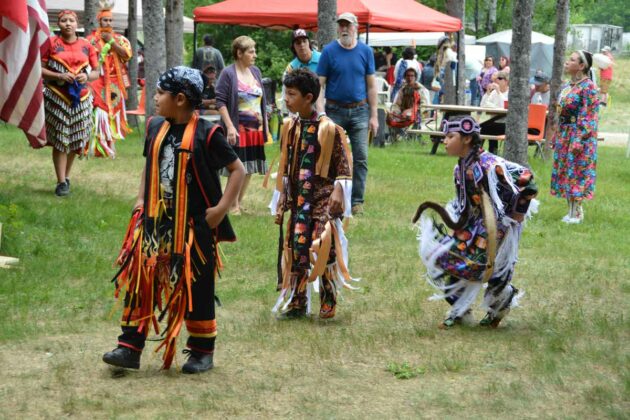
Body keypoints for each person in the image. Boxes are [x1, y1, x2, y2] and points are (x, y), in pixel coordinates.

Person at [102, 66, 246, 373]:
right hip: (156, 223)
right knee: (142, 283)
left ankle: (201, 351)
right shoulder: (156, 127)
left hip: (194, 227)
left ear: (180, 99)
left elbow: (238, 170)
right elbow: (150, 165)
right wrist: (141, 199)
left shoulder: (208, 134)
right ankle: (129, 346)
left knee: (197, 287)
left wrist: (220, 210)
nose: (153, 98)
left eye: (159, 93)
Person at [414, 115, 538, 329]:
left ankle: (498, 308)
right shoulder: (460, 168)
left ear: (466, 139)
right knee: (448, 259)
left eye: (450, 136)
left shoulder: (490, 164)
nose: (444, 141)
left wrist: (516, 215)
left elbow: (528, 180)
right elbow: (467, 203)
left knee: (493, 273)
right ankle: (460, 309)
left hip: (496, 227)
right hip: (472, 226)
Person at [270, 68, 355, 319]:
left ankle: (328, 297)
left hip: (322, 198)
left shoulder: (329, 129)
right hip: (298, 199)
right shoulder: (290, 127)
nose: (286, 98)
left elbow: (343, 166)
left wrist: (338, 193)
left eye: (291, 94)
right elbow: (286, 166)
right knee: (297, 246)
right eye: (285, 93)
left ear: (308, 98)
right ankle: (297, 301)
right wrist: (282, 196)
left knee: (321, 245)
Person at [317, 12, 378, 216]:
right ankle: (328, 195)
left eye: (348, 25)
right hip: (334, 110)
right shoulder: (328, 51)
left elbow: (371, 86)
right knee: (331, 155)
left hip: (360, 111)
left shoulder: (365, 52)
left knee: (360, 157)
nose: (344, 29)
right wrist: (321, 113)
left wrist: (374, 116)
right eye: (341, 25)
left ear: (356, 28)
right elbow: (320, 85)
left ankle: (357, 200)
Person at [41, 10, 99, 197]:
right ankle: (60, 181)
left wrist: (87, 76)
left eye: (71, 20)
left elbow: (97, 71)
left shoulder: (87, 45)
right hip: (57, 95)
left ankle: (66, 178)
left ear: (77, 24)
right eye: (64, 20)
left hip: (81, 97)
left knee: (75, 140)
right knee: (60, 138)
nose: (68, 23)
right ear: (58, 24)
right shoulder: (51, 43)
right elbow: (39, 68)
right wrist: (58, 75)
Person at [215, 36, 268, 214]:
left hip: (256, 130)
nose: (255, 55)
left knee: (250, 167)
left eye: (254, 51)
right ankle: (231, 204)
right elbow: (220, 102)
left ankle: (238, 202)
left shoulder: (256, 72)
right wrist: (230, 126)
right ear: (239, 53)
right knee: (237, 167)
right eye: (251, 51)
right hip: (238, 129)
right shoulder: (228, 73)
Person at [550, 50, 599, 224]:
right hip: (565, 133)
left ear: (581, 66)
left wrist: (579, 138)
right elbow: (560, 113)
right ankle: (569, 211)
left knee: (577, 172)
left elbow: (589, 116)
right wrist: (556, 135)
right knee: (566, 172)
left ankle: (577, 212)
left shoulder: (589, 87)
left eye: (571, 60)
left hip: (579, 136)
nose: (566, 62)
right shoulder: (568, 86)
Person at [86, 4, 132, 158]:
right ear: (99, 21)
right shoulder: (91, 40)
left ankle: (110, 146)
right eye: (105, 20)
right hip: (97, 81)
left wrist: (112, 42)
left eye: (110, 20)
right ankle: (96, 148)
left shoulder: (120, 39)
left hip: (115, 82)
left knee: (113, 115)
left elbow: (126, 55)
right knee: (99, 113)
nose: (108, 23)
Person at [281, 29, 321, 114]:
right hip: (302, 109)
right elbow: (286, 91)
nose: (302, 45)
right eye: (298, 43)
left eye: (304, 41)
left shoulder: (322, 59)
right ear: (293, 47)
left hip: (323, 105)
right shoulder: (291, 67)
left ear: (309, 43)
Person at [479, 70, 509, 154]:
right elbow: (483, 105)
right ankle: (478, 150)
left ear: (506, 81)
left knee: (488, 127)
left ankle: (491, 151)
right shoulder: (494, 92)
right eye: (496, 79)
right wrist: (488, 93)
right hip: (493, 120)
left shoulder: (509, 93)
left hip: (505, 123)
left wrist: (499, 92)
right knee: (482, 126)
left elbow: (505, 106)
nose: (497, 81)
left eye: (500, 78)